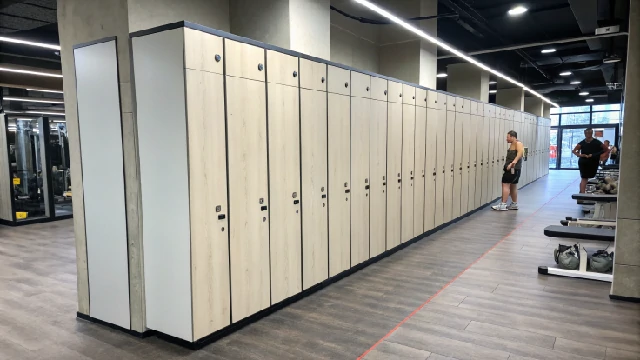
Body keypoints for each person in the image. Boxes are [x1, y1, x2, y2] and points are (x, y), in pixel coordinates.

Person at [492, 130, 524, 211]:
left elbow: (520, 153)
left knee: (505, 184)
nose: (506, 139)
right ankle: (514, 204)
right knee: (513, 186)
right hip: (515, 169)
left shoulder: (518, 143)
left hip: (512, 168)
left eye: (508, 137)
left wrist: (513, 162)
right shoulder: (513, 145)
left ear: (513, 137)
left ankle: (503, 204)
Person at [573, 128, 604, 193]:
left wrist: (595, 155)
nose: (587, 134)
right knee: (584, 178)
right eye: (586, 133)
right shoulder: (582, 143)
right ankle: (582, 193)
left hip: (593, 161)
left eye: (589, 133)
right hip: (584, 161)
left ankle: (586, 191)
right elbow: (574, 151)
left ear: (591, 133)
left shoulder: (597, 142)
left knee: (591, 176)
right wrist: (581, 155)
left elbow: (605, 150)